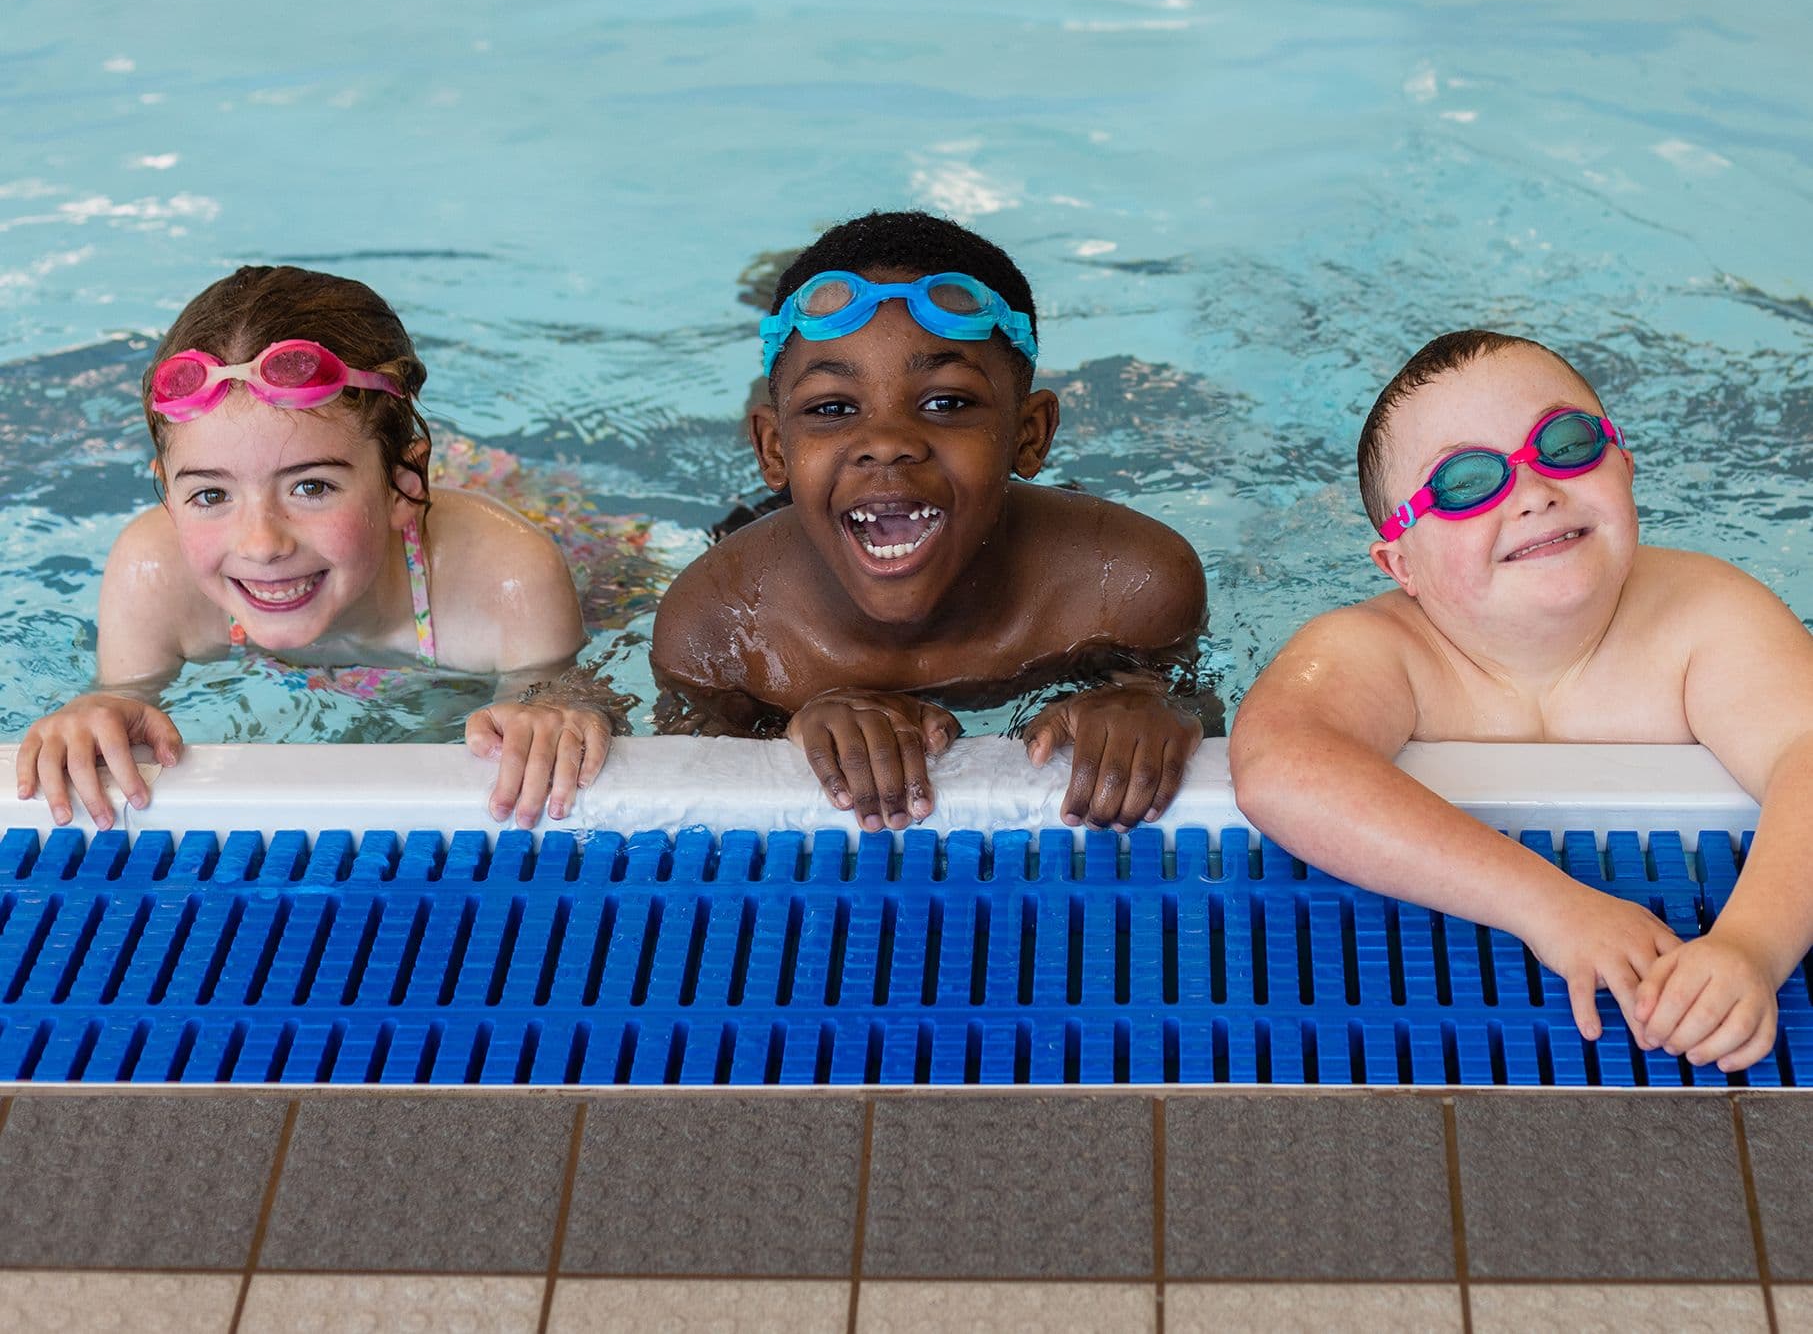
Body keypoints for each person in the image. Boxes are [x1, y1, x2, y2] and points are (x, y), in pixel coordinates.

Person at [1231, 328, 1813, 1074]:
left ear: (1626, 465)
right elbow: (1278, 770)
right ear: (1399, 561)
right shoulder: (1380, 651)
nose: (1534, 491)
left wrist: (1750, 945)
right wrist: (1550, 905)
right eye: (1466, 483)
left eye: (1565, 442)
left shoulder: (1704, 614)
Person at [651, 210, 1208, 832]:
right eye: (832, 408)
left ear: (1030, 435)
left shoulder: (1127, 583)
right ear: (773, 451)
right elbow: (689, 781)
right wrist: (791, 728)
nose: (886, 442)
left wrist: (1151, 706)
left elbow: (1188, 703)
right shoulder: (721, 622)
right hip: (803, 525)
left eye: (946, 402)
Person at [19, 265, 618, 831]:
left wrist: (549, 708)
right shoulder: (153, 571)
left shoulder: (506, 574)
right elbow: (121, 698)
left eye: (312, 486)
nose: (262, 544)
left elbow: (547, 702)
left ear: (403, 487)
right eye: (209, 495)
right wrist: (95, 711)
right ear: (169, 498)